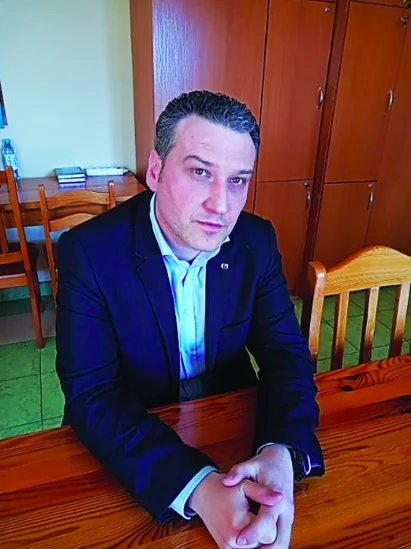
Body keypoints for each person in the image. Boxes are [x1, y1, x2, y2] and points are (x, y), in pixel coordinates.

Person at [56, 90, 324, 549]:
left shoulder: (256, 240)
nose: (221, 205)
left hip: (232, 426)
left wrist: (281, 448)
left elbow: (284, 352)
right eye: (201, 172)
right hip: (133, 439)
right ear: (155, 171)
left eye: (237, 180)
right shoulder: (89, 252)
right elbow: (93, 393)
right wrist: (197, 486)